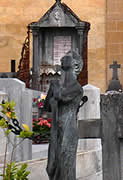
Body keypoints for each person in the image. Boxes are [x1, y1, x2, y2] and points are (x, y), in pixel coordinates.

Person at [45, 51, 84, 180]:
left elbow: (61, 97)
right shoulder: (57, 84)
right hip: (56, 128)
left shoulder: (77, 87)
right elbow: (47, 107)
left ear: (76, 65)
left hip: (68, 128)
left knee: (65, 163)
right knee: (52, 165)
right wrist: (54, 87)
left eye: (67, 57)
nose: (62, 58)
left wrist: (55, 87)